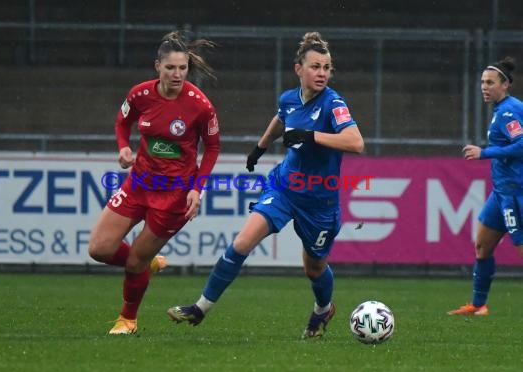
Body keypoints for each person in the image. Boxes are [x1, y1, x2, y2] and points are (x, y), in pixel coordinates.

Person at [167, 31, 364, 339]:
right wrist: (259, 148)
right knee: (243, 243)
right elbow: (281, 118)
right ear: (298, 69)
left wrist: (312, 136)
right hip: (284, 188)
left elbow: (356, 142)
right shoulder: (289, 98)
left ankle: (323, 308)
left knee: (313, 268)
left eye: (326, 67)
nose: (322, 73)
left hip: (320, 202)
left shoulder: (333, 104)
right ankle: (200, 307)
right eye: (315, 66)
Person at [88, 31, 221, 334]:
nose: (177, 74)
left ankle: (127, 320)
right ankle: (148, 264)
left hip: (174, 196)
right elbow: (123, 121)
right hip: (139, 183)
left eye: (183, 68)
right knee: (99, 248)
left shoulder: (200, 105)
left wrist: (196, 189)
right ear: (157, 66)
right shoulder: (140, 94)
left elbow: (213, 147)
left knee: (134, 262)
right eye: (171, 67)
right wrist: (123, 146)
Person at [448, 57, 523, 316]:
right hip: (501, 193)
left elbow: (522, 144)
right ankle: (478, 305)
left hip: (516, 192)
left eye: (490, 82)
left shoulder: (509, 111)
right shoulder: (502, 109)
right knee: (482, 246)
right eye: (482, 82)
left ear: (505, 84)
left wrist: (485, 153)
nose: (484, 86)